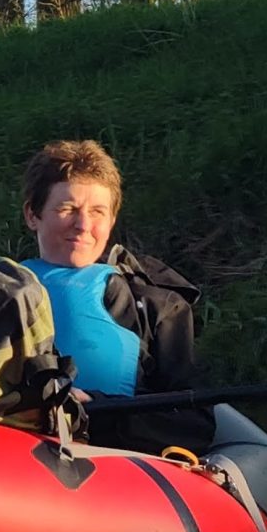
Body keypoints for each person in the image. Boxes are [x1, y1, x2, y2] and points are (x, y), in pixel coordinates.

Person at [19, 138, 208, 449]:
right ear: (32, 215)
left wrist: (96, 407)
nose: (83, 225)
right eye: (67, 209)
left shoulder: (155, 304)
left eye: (98, 212)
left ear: (111, 220)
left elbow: (194, 424)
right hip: (15, 451)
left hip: (113, 456)